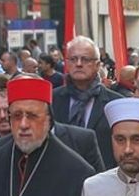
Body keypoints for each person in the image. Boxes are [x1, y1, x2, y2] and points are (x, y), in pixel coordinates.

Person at [52, 36, 124, 168]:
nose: (79, 64)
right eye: (73, 59)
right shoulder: (52, 100)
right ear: (66, 63)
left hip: (102, 179)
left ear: (97, 65)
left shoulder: (117, 103)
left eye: (85, 59)